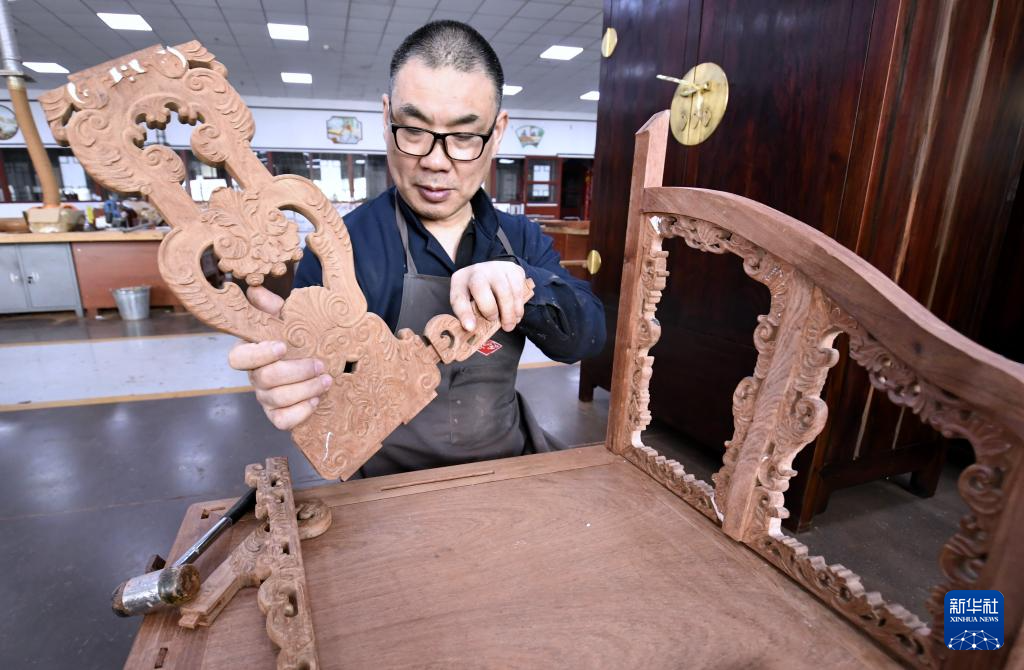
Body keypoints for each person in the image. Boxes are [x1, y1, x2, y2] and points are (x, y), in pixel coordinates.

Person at [229, 20, 605, 477]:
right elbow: (316, 388)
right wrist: (289, 383)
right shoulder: (338, 248)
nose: (435, 161)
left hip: (507, 472)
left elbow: (586, 338)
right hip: (385, 486)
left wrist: (521, 280)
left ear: (498, 131)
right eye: (413, 130)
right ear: (386, 117)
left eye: (464, 137)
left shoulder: (519, 237)